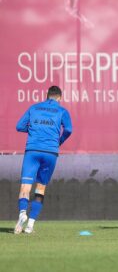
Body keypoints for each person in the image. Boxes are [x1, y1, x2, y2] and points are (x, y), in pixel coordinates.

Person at [14, 86, 73, 234]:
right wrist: (59, 141)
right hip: (50, 152)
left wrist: (33, 130)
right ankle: (30, 226)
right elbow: (69, 130)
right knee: (40, 188)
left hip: (32, 151)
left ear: (47, 96)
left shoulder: (34, 108)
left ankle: (22, 214)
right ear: (59, 98)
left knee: (25, 187)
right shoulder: (62, 111)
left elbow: (19, 126)